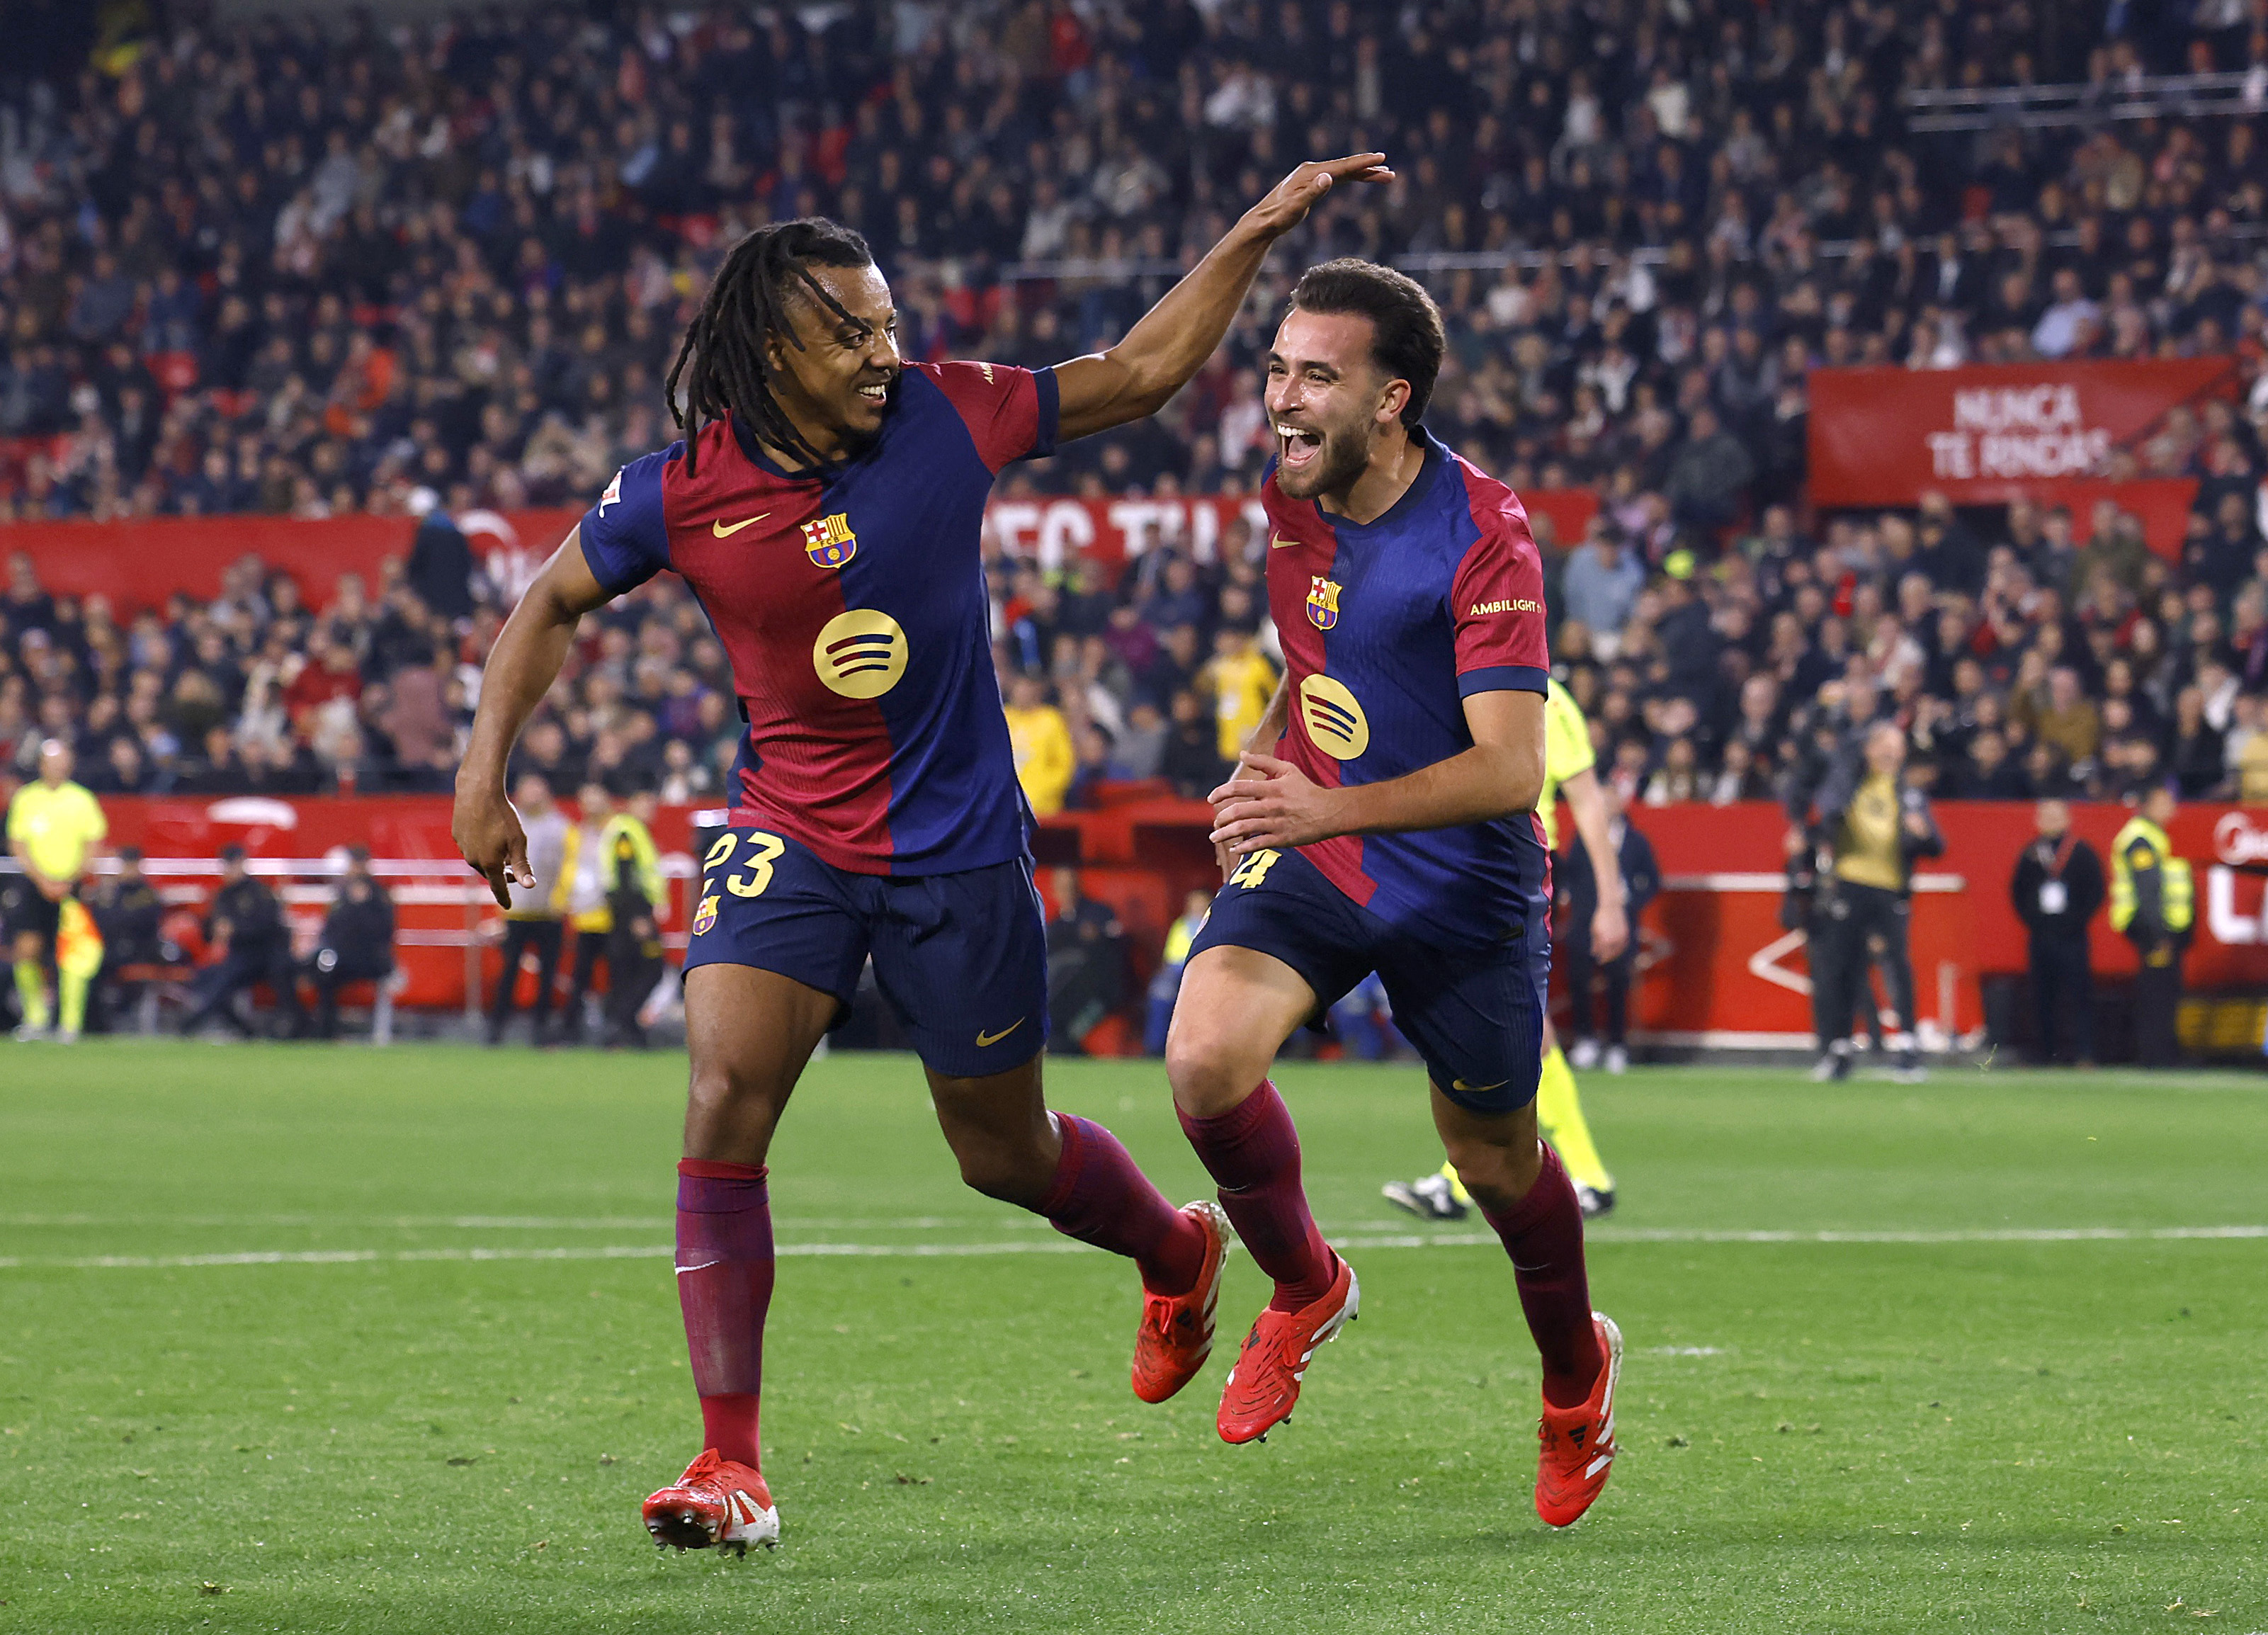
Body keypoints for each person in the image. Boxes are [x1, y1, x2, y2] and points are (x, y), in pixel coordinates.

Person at [452, 161, 1391, 1555]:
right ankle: (730, 1462)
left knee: (999, 1151)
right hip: (788, 834)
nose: (884, 350)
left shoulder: (951, 410)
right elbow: (548, 602)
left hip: (957, 852)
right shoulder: (680, 492)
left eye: (888, 321)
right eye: (851, 331)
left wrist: (1251, 231)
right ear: (775, 348)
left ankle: (1176, 1248)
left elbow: (1135, 371)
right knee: (721, 1097)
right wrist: (484, 775)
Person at [1164, 259, 1619, 1527]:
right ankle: (1305, 1284)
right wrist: (1267, 749)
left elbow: (1510, 767)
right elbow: (1319, 649)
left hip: (1463, 883)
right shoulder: (1295, 488)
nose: (1282, 399)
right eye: (1275, 371)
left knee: (1492, 1156)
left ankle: (1575, 1373)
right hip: (1324, 843)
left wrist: (1323, 802)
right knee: (1204, 1059)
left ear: (1392, 397)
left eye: (1316, 375)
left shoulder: (1484, 532)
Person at [1383, 676, 1630, 1219]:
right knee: (1507, 1025)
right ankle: (1581, 1176)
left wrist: (1610, 900)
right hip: (1464, 871)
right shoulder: (1450, 685)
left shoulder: (1545, 695)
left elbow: (1587, 801)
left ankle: (1466, 1181)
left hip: (1518, 871)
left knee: (1512, 1024)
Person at [1800, 722, 1943, 1083]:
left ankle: (1908, 1049)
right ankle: (1839, 1049)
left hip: (1890, 888)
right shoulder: (1850, 783)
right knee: (1843, 969)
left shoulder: (1908, 793)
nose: (1890, 752)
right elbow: (1822, 814)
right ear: (1868, 749)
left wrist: (1922, 836)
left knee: (1897, 966)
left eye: (1896, 745)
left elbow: (1937, 846)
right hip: (1849, 885)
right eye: (1883, 744)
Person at [5, 739, 107, 1041]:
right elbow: (17, 844)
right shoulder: (27, 798)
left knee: (73, 954)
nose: (58, 767)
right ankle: (35, 1017)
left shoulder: (81, 799)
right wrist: (43, 880)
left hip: (71, 886)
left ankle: (70, 1023)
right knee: (26, 949)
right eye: (53, 761)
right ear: (42, 765)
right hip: (35, 885)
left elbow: (94, 843)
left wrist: (71, 878)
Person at [1559, 781, 1660, 1075]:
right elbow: (1572, 873)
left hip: (1620, 923)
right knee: (1579, 982)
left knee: (1618, 985)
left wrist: (1631, 900)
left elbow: (1653, 880)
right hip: (1583, 923)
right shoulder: (1583, 838)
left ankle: (1617, 1044)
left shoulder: (1637, 842)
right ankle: (1586, 1040)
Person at [2009, 799, 2104, 1065]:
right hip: (2041, 935)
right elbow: (2018, 892)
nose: (2051, 821)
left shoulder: (2081, 852)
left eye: (2056, 815)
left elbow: (2096, 891)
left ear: (2067, 818)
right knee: (2042, 996)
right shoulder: (2031, 853)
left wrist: (2075, 920)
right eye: (2045, 816)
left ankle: (2084, 1052)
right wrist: (2035, 921)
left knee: (2079, 995)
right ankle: (2045, 1053)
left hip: (2073, 936)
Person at [177, 844, 300, 1039]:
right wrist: (216, 930)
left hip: (266, 953)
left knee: (283, 974)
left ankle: (296, 1027)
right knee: (212, 980)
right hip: (241, 955)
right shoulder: (223, 896)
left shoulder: (260, 892)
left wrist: (236, 930)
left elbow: (269, 926)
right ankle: (243, 1030)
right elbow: (209, 931)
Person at [2109, 786, 2192, 1068]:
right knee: (2157, 993)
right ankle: (2156, 1056)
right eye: (2165, 802)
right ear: (2147, 805)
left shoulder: (2153, 836)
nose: (2172, 808)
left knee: (2162, 990)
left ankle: (2159, 1052)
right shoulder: (2141, 840)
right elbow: (2148, 891)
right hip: (2153, 932)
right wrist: (2159, 935)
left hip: (2158, 930)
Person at [487, 773, 569, 1045]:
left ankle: (541, 1028)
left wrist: (562, 899)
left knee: (548, 974)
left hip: (549, 912)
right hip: (517, 912)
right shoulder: (508, 824)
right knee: (508, 971)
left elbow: (568, 867)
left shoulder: (561, 826)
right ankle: (496, 1026)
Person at [301, 847, 397, 1039]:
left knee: (326, 969)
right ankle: (324, 1029)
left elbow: (384, 931)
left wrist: (360, 906)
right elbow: (332, 927)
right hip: (342, 956)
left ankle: (326, 1029)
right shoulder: (342, 894)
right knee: (321, 971)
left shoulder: (379, 895)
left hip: (371, 958)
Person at [552, 779, 618, 1045]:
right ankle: (572, 1031)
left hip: (613, 915)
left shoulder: (617, 831)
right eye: (586, 799)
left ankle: (615, 1031)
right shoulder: (576, 834)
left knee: (617, 978)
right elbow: (569, 871)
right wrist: (561, 901)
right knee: (580, 979)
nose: (590, 805)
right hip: (585, 916)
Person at [601, 783, 667, 1050]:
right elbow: (626, 877)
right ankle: (622, 1024)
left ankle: (624, 1028)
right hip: (630, 913)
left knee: (629, 972)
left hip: (630, 912)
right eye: (645, 803)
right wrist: (637, 917)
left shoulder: (633, 830)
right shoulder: (626, 832)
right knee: (652, 968)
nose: (651, 809)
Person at [1044, 869, 1128, 1052]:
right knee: (1053, 1029)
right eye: (1062, 888)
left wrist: (1096, 933)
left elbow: (1113, 943)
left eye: (1071, 887)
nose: (1067, 892)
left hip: (1100, 996)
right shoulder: (1055, 926)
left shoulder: (1099, 914)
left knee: (1067, 1034)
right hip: (1064, 998)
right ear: (1054, 892)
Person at [91, 846, 167, 1032]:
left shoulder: (146, 893)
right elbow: (101, 920)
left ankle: (112, 1020)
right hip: (112, 949)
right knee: (89, 972)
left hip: (140, 951)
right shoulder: (113, 892)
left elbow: (138, 921)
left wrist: (115, 915)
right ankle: (95, 1023)